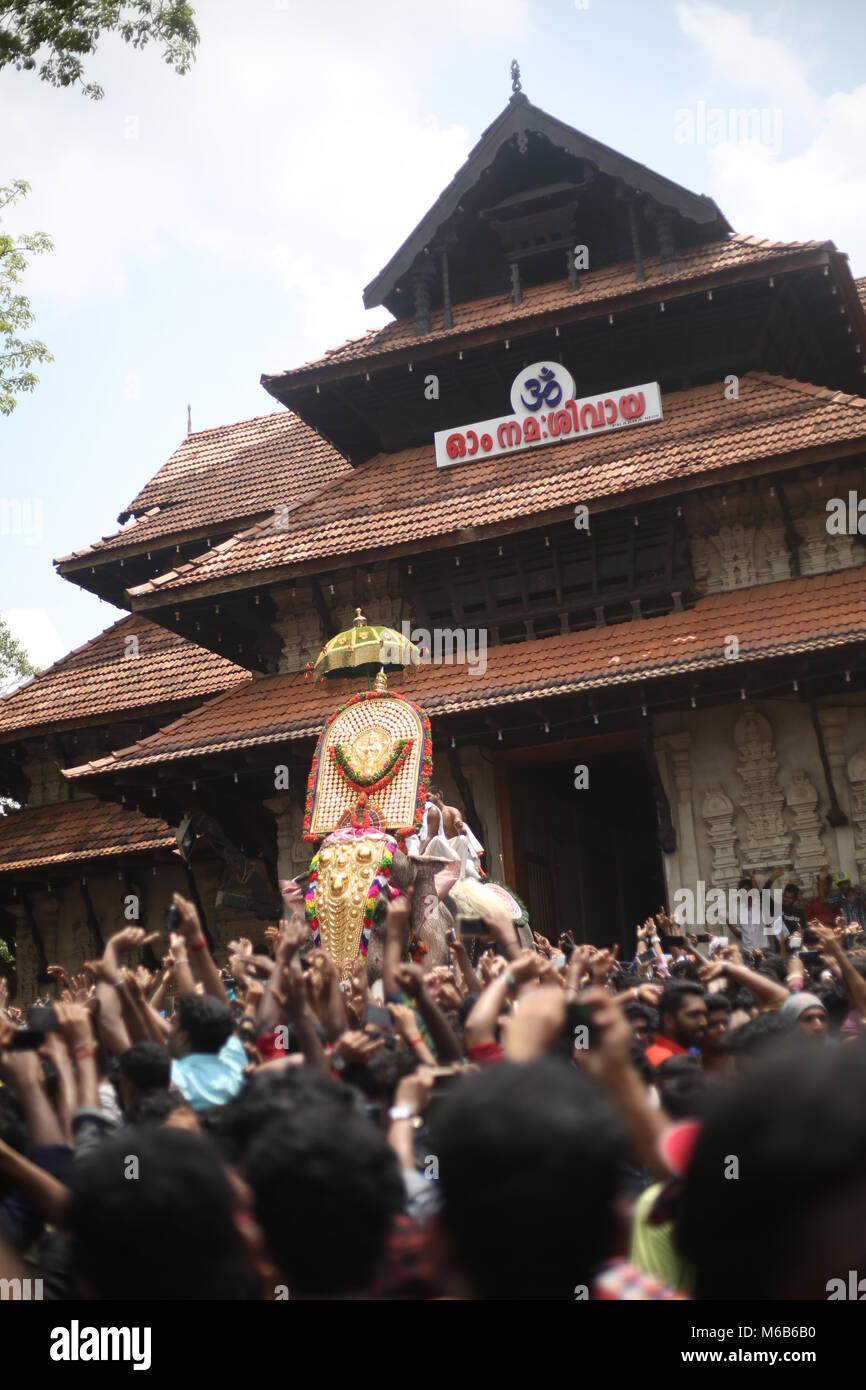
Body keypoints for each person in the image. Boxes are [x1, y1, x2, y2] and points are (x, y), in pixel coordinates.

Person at [644, 981, 707, 1067]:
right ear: (669, 1020)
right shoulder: (663, 1062)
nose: (704, 1022)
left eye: (705, 1015)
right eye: (694, 1015)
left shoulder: (684, 1056)